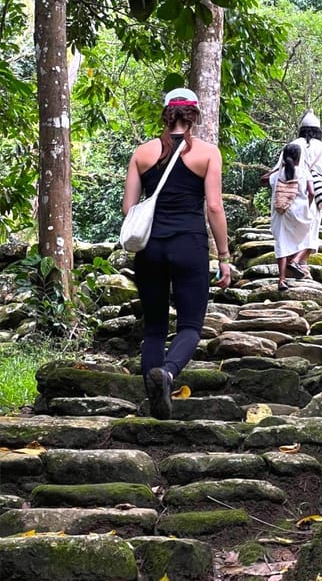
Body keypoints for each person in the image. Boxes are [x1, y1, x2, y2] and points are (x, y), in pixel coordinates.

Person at [122, 87, 231, 420]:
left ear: (165, 114)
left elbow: (129, 208)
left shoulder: (142, 152)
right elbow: (213, 206)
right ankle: (168, 373)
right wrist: (224, 256)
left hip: (150, 248)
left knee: (154, 328)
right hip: (189, 245)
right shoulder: (208, 153)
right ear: (194, 115)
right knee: (190, 326)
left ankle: (156, 401)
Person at [285, 110, 322, 278]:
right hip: (312, 194)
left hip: (291, 192)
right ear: (318, 132)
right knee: (310, 229)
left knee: (291, 230)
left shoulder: (292, 145)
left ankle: (293, 263)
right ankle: (300, 263)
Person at [269, 142, 315, 291]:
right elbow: (312, 193)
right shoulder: (303, 172)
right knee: (309, 237)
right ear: (299, 157)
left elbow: (270, 185)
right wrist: (307, 205)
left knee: (281, 242)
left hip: (280, 211)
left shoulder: (276, 175)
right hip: (298, 211)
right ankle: (295, 261)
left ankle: (281, 280)